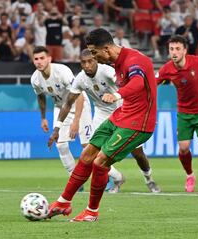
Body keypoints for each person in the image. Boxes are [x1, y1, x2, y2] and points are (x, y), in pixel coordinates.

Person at [47, 28, 157, 222]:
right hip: (120, 116)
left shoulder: (133, 60)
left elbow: (138, 82)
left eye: (95, 53)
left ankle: (91, 211)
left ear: (106, 49)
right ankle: (63, 202)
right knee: (87, 154)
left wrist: (117, 95)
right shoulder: (115, 62)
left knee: (100, 162)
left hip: (138, 122)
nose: (94, 58)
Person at [157, 35, 198, 193]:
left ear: (185, 50)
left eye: (178, 49)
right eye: (171, 49)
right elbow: (152, 82)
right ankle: (190, 175)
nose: (174, 52)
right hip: (184, 113)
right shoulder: (167, 69)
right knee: (184, 148)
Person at [30, 46, 93, 179]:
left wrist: (76, 121)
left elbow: (79, 95)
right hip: (61, 108)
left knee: (87, 146)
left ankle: (113, 176)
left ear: (49, 59)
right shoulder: (35, 79)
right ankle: (75, 178)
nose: (39, 61)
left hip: (79, 104)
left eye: (42, 58)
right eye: (36, 59)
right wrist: (43, 118)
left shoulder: (62, 71)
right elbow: (40, 96)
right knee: (60, 144)